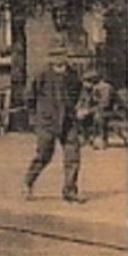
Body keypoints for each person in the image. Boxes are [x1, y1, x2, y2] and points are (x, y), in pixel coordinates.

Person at [23, 49, 85, 203]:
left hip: (68, 121)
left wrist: (76, 108)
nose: (59, 59)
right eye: (55, 55)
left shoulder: (72, 74)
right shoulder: (42, 74)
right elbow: (30, 96)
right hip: (46, 121)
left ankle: (70, 190)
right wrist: (34, 117)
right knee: (44, 155)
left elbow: (78, 92)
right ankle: (29, 181)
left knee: (73, 155)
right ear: (50, 58)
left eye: (63, 55)